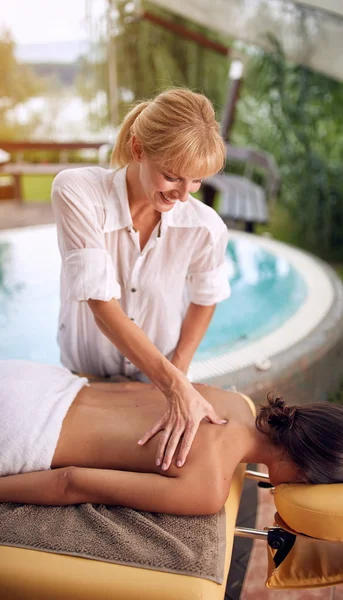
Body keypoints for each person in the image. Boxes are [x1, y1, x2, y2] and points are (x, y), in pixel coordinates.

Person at [51, 88, 231, 472]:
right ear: (137, 148)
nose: (184, 195)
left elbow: (206, 295)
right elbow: (101, 306)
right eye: (171, 177)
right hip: (84, 379)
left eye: (196, 181)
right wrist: (175, 385)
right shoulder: (77, 192)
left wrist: (177, 369)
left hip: (159, 384)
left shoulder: (206, 228)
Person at [0, 361, 343, 515]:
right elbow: (72, 483)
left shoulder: (231, 401)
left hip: (39, 380)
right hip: (23, 430)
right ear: (305, 469)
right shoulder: (208, 490)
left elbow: (129, 390)